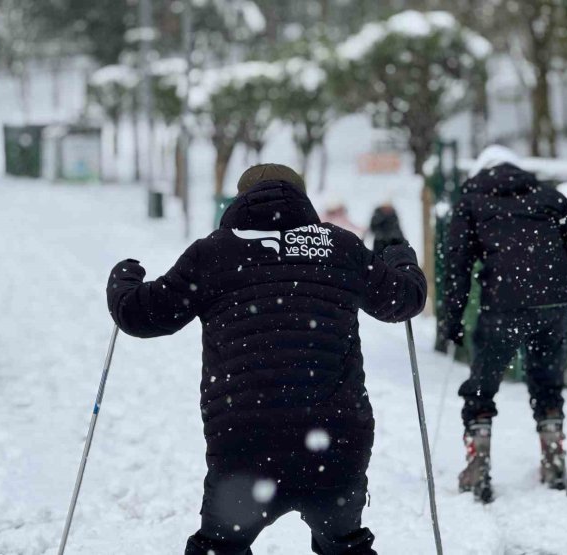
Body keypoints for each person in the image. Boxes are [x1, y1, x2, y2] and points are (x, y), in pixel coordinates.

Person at [107, 163, 426, 554]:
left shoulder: (214, 253)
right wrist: (400, 257)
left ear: (241, 200)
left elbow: (141, 315)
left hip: (245, 445)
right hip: (334, 444)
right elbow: (404, 299)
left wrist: (124, 279)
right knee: (344, 547)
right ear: (302, 199)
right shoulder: (339, 248)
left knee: (220, 548)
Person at [442, 145, 567, 502]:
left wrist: (451, 320)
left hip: (504, 304)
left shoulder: (471, 202)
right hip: (553, 302)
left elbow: (456, 266)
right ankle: (553, 457)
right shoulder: (550, 198)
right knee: (547, 381)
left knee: (482, 386)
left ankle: (478, 465)